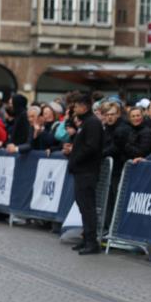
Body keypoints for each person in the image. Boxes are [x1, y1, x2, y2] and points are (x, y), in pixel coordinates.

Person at [62, 91, 103, 255]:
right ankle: (86, 238)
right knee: (83, 206)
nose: (75, 109)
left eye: (77, 106)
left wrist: (76, 157)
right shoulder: (86, 122)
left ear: (85, 107)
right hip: (81, 170)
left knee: (87, 207)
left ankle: (92, 242)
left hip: (87, 171)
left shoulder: (92, 123)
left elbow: (91, 147)